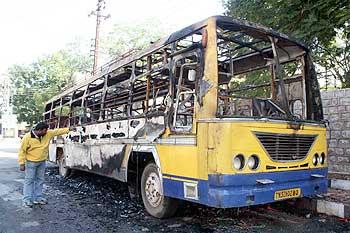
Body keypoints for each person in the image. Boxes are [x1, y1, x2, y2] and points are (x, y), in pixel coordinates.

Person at [18, 121, 75, 208]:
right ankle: (27, 200)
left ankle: (38, 197)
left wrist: (68, 129)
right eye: (45, 131)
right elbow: (22, 151)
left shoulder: (47, 133)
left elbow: (57, 131)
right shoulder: (27, 137)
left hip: (42, 162)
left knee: (40, 180)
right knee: (29, 181)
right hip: (31, 163)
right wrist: (21, 163)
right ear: (39, 130)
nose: (46, 132)